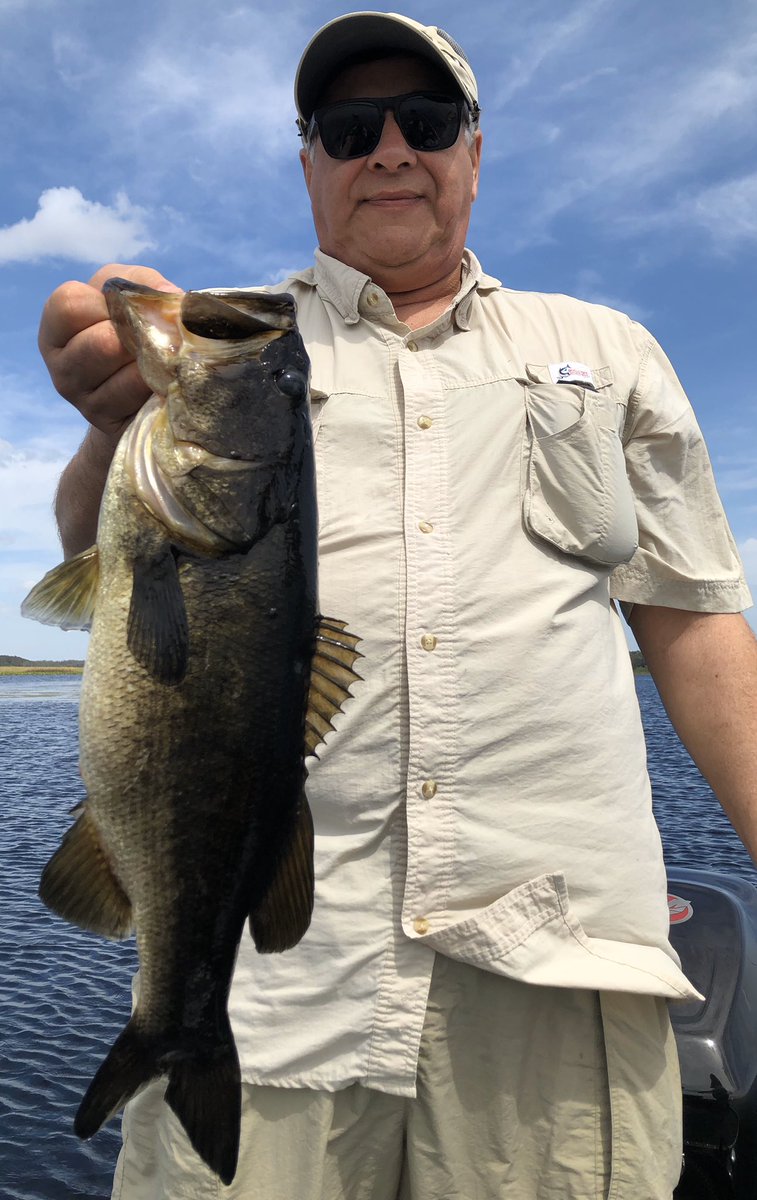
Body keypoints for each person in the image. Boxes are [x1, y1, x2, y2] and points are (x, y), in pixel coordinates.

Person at [39, 12, 757, 1200]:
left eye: (424, 122)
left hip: (559, 964)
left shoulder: (606, 347)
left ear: (472, 151)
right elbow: (104, 563)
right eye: (347, 127)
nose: (387, 150)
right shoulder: (237, 340)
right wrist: (108, 426)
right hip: (277, 979)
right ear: (308, 161)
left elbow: (694, 622)